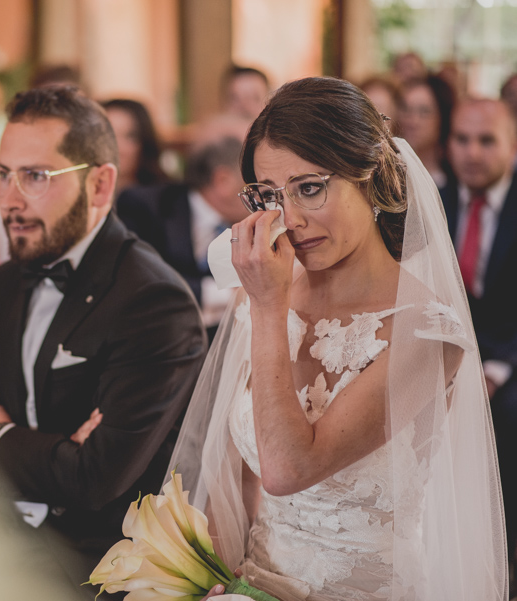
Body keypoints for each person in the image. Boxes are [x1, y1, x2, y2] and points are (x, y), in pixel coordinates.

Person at [163, 77, 505, 600]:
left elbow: (287, 469)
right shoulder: (266, 292)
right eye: (271, 195)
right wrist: (217, 581)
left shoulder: (427, 333)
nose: (290, 219)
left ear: (372, 177)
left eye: (309, 188)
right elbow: (236, 476)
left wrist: (269, 307)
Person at [0, 85, 207, 600]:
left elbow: (94, 480)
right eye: (2, 175)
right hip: (3, 528)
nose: (9, 199)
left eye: (36, 176)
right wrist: (53, 451)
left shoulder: (153, 302)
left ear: (100, 185)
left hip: (95, 559)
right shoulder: (4, 283)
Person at [441, 97, 517, 572]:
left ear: (512, 145)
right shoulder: (434, 199)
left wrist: (493, 371)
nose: (472, 152)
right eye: (462, 139)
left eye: (486, 140)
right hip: (450, 349)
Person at [117, 136, 249, 336]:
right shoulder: (145, 206)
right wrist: (228, 294)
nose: (259, 196)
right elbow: (138, 281)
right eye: (253, 184)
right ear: (223, 180)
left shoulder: (250, 227)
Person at [101, 98, 170, 196]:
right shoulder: (82, 196)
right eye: (108, 135)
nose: (118, 146)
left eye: (130, 136)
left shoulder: (167, 197)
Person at [399, 74, 456, 188]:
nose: (412, 121)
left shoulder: (456, 184)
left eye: (424, 112)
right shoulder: (389, 176)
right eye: (406, 110)